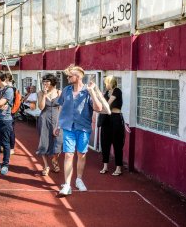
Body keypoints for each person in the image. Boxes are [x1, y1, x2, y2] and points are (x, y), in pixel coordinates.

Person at [56, 65, 103, 196]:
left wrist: (92, 91)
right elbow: (61, 108)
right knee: (68, 154)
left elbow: (98, 108)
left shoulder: (87, 92)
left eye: (70, 76)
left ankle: (79, 179)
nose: (68, 78)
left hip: (83, 128)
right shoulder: (65, 90)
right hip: (68, 127)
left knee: (81, 154)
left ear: (79, 76)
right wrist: (57, 125)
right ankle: (67, 184)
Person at [36, 74, 62, 176]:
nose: (45, 83)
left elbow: (61, 108)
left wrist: (60, 122)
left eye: (47, 81)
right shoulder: (40, 93)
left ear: (52, 82)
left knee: (59, 142)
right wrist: (44, 95)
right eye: (44, 81)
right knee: (44, 142)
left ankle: (55, 159)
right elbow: (41, 107)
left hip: (57, 119)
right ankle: (46, 165)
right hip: (44, 119)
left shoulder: (59, 92)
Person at [99, 75, 124, 176]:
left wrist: (101, 101)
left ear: (110, 82)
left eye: (106, 83)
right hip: (106, 119)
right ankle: (105, 166)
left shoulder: (117, 91)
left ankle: (118, 168)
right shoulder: (106, 93)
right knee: (105, 143)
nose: (105, 85)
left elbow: (106, 104)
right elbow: (102, 105)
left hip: (116, 119)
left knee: (117, 143)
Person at [5, 72, 16, 155]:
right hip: (6, 112)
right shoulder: (5, 88)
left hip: (10, 112)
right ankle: (6, 146)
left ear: (7, 79)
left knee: (11, 131)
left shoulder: (12, 89)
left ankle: (12, 147)